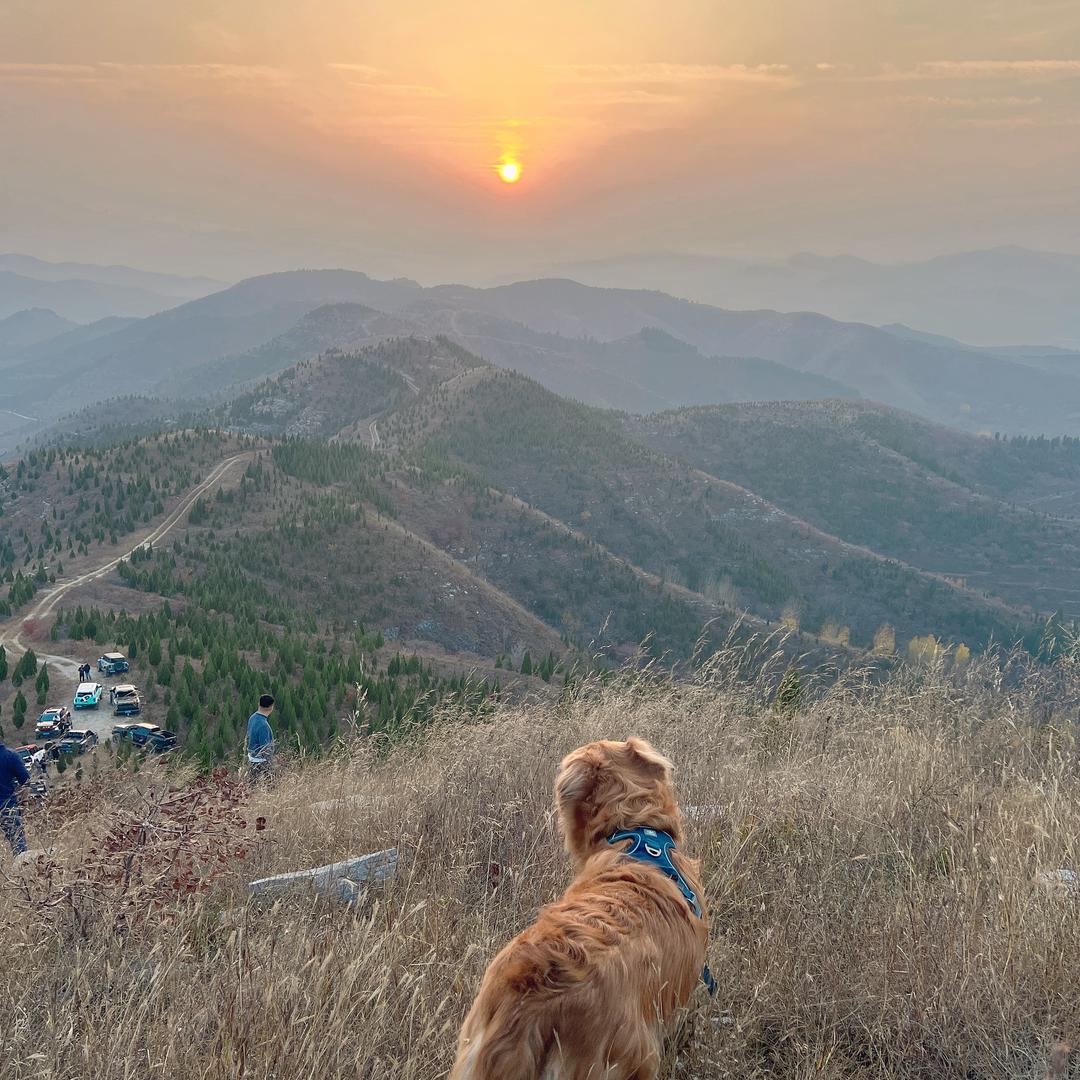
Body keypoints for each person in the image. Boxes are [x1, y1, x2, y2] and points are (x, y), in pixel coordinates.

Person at [0, 743, 30, 856]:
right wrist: (24, 802)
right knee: (18, 842)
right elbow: (26, 781)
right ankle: (23, 870)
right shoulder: (10, 755)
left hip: (7, 805)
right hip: (8, 806)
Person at [246, 694, 276, 782]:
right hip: (261, 763)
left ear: (258, 704)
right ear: (271, 707)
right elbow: (266, 749)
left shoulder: (252, 718)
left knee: (252, 787)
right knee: (267, 788)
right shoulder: (264, 726)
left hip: (251, 759)